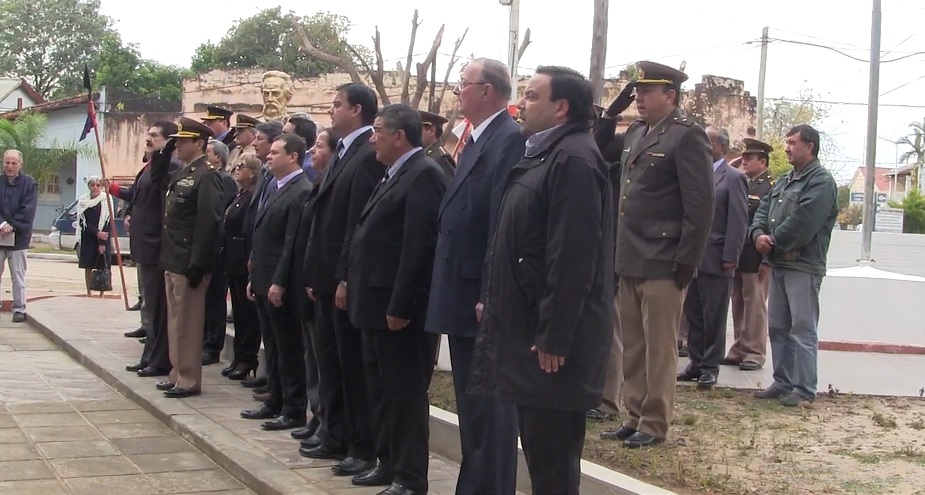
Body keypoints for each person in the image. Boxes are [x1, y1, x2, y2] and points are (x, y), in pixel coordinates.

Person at [469, 66, 614, 495]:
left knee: (552, 461)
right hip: (527, 331)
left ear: (561, 108)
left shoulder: (573, 160)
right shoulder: (544, 154)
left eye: (531, 96)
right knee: (539, 450)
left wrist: (554, 334)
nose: (520, 104)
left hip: (548, 345)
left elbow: (573, 258)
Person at [424, 57, 523, 495]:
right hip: (462, 290)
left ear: (487, 91)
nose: (456, 90)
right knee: (471, 404)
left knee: (488, 407)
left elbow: (502, 225)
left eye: (463, 83)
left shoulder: (507, 140)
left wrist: (489, 291)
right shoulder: (477, 138)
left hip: (478, 294)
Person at [613, 61, 714, 448]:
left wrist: (686, 261)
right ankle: (634, 413)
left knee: (659, 347)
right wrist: (611, 111)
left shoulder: (687, 137)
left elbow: (700, 205)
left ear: (669, 95)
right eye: (636, 91)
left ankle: (655, 422)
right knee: (634, 345)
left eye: (646, 91)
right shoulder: (637, 131)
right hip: (631, 255)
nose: (638, 97)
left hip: (664, 257)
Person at [345, 104, 445, 495]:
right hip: (373, 307)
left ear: (399, 135)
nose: (372, 139)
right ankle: (388, 462)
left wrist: (401, 306)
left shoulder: (424, 175)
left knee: (404, 396)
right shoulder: (395, 173)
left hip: (397, 311)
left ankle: (410, 477)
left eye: (377, 131)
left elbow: (418, 247)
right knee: (381, 391)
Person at [300, 84, 383, 482]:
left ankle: (360, 444)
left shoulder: (368, 155)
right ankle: (335, 432)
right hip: (325, 275)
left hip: (343, 279)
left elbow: (356, 224)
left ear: (358, 109)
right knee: (330, 362)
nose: (331, 110)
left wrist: (345, 277)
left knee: (352, 366)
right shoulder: (342, 152)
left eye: (337, 104)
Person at [749, 124, 838, 407]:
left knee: (802, 328)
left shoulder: (820, 182)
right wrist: (757, 234)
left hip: (803, 265)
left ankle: (803, 388)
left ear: (809, 146)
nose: (787, 148)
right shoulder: (787, 179)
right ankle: (783, 381)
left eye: (792, 142)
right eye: (787, 142)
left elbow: (804, 221)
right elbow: (764, 209)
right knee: (777, 325)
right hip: (779, 263)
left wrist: (772, 240)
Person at [150, 117, 225, 399]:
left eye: (182, 141)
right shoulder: (183, 173)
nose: (178, 145)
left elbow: (209, 222)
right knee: (175, 323)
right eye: (176, 141)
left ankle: (189, 379)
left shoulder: (207, 175)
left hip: (189, 260)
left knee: (189, 324)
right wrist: (163, 150)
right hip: (172, 257)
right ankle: (177, 372)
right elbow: (158, 179)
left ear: (200, 144)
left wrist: (199, 262)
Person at [243, 133, 312, 431]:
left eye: (275, 152)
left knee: (288, 348)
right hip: (261, 277)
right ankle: (274, 399)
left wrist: (278, 281)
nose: (268, 157)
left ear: (293, 156)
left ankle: (293, 408)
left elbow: (290, 243)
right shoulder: (274, 185)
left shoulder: (301, 190)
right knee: (271, 345)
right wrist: (253, 274)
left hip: (279, 283)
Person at [677, 126, 748, 389]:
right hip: (691, 256)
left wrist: (731, 255)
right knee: (693, 312)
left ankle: (710, 366)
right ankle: (695, 362)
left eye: (708, 141)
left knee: (713, 315)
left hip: (718, 257)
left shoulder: (733, 178)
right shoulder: (694, 174)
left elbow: (738, 221)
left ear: (722, 147)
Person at [108, 122, 181, 377]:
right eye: (148, 134)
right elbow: (139, 199)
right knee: (150, 305)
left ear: (168, 141)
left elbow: (165, 210)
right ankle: (149, 355)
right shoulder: (148, 167)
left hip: (156, 245)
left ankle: (159, 359)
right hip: (143, 245)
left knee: (158, 306)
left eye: (155, 136)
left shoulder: (169, 167)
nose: (148, 139)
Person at [723, 138, 775, 371]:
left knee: (754, 305)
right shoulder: (741, 181)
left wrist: (767, 259)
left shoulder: (770, 187)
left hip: (756, 256)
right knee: (738, 303)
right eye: (743, 157)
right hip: (738, 253)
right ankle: (739, 348)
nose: (744, 161)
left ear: (762, 162)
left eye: (749, 158)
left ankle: (754, 352)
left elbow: (770, 224)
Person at [221, 155, 263, 381]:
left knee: (248, 314)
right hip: (232, 259)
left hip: (243, 258)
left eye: (242, 167)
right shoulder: (240, 195)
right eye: (236, 166)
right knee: (238, 311)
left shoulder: (253, 197)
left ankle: (248, 357)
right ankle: (239, 355)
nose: (237, 170)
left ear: (254, 172)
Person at [202, 139, 238, 366]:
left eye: (208, 152)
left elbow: (218, 217)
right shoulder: (207, 177)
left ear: (218, 157)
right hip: (205, 249)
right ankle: (204, 340)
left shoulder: (225, 181)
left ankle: (212, 346)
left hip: (217, 250)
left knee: (215, 300)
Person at [0, 150, 37, 323]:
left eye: (13, 163)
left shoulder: (29, 184)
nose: (10, 166)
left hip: (19, 237)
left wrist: (12, 225)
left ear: (20, 164)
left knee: (18, 275)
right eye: (7, 162)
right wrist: (2, 224)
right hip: (0, 233)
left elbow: (28, 210)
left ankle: (19, 308)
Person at [76, 176, 113, 297]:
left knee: (102, 266)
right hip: (89, 237)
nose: (95, 187)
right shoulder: (83, 201)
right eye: (93, 185)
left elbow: (108, 220)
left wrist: (102, 241)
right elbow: (83, 222)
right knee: (88, 266)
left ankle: (102, 293)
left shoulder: (106, 200)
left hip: (103, 238)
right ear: (89, 187)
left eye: (98, 185)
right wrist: (96, 232)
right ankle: (89, 292)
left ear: (101, 187)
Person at [418, 110, 455, 178]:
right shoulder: (425, 154)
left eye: (418, 129)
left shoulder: (440, 158)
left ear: (431, 131)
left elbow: (449, 186)